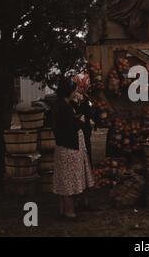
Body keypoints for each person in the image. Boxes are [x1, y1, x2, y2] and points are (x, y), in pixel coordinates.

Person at [52, 78, 95, 219]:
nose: (75, 92)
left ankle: (63, 210)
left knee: (65, 180)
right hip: (68, 147)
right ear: (69, 91)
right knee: (69, 182)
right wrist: (81, 122)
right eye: (74, 90)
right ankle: (69, 212)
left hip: (64, 147)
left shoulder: (62, 104)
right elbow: (70, 126)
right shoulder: (64, 107)